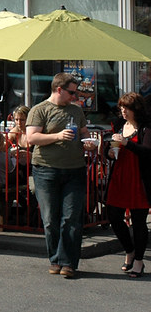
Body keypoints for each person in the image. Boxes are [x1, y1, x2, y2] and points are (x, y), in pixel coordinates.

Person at [26, 72, 99, 279]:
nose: (75, 97)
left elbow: (84, 133)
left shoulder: (76, 111)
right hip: (46, 170)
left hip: (75, 169)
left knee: (71, 218)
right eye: (72, 92)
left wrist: (89, 142)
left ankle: (68, 263)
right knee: (50, 219)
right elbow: (31, 137)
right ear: (59, 89)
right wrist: (58, 136)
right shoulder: (39, 110)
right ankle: (55, 259)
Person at [105, 91, 151, 278]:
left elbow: (147, 152)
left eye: (126, 107)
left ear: (136, 109)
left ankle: (138, 261)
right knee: (113, 215)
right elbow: (110, 148)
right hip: (119, 175)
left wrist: (126, 142)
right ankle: (129, 250)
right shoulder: (118, 125)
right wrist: (107, 152)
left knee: (138, 221)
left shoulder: (146, 127)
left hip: (139, 178)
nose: (122, 110)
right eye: (121, 107)